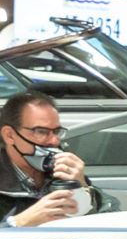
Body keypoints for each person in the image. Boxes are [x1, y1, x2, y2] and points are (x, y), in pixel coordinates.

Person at [0, 94, 86, 228]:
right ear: (9, 135)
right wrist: (18, 223)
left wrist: (84, 190)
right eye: (41, 132)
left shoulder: (61, 167)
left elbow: (110, 216)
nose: (54, 141)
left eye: (56, 132)